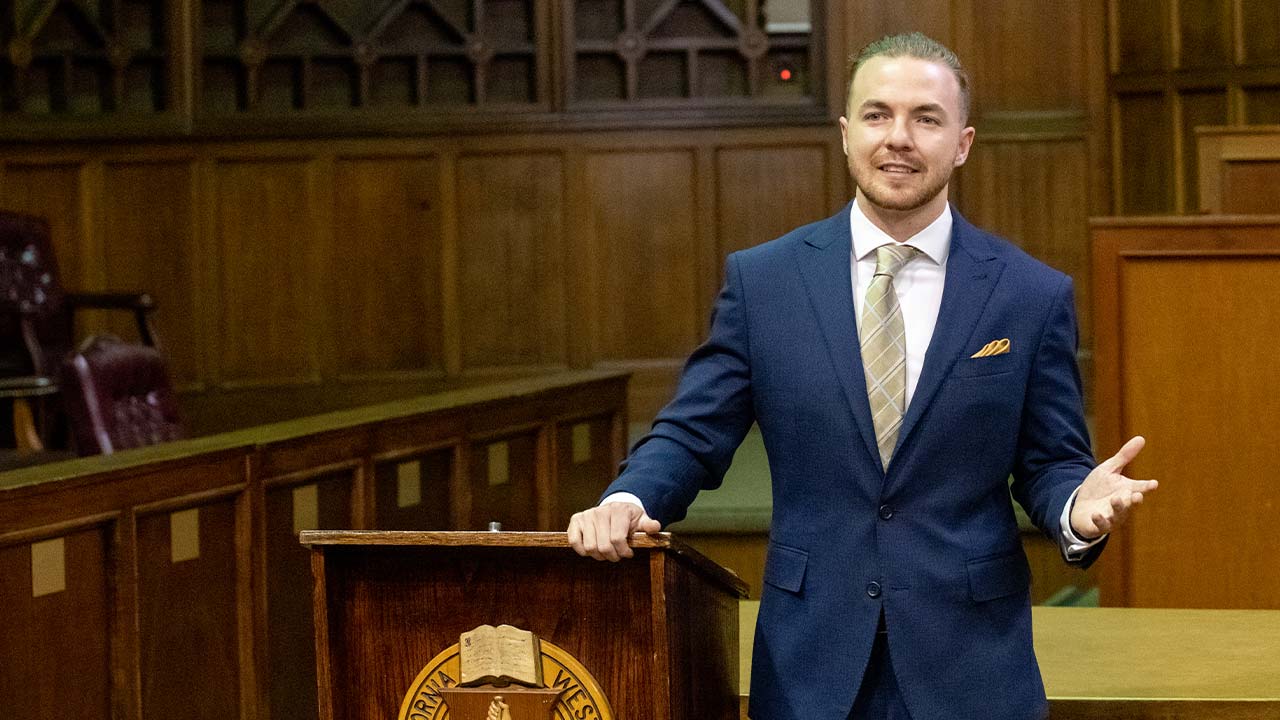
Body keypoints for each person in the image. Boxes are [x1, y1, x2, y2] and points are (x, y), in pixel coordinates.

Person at [567, 32, 1157, 720]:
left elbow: (1050, 460)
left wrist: (1073, 510)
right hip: (810, 660)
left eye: (926, 118)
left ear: (962, 142)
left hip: (971, 667)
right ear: (847, 134)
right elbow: (694, 433)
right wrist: (631, 499)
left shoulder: (1029, 294)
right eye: (877, 115)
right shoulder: (766, 283)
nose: (898, 138)